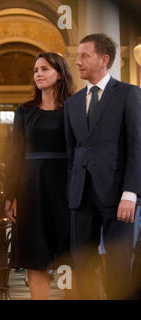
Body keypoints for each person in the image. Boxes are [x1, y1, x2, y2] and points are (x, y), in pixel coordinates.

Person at [65, 33, 141, 299]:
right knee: (82, 265)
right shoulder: (73, 102)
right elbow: (72, 152)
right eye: (77, 57)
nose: (78, 62)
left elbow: (137, 146)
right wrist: (70, 194)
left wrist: (131, 193)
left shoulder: (129, 94)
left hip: (119, 197)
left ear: (104, 59)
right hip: (81, 197)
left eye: (84, 56)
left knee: (119, 267)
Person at [5, 52, 75, 299]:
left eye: (44, 69)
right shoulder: (24, 111)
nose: (39, 74)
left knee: (69, 259)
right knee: (35, 259)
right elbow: (15, 154)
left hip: (67, 189)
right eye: (36, 70)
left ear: (59, 73)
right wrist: (10, 195)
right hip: (31, 190)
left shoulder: (75, 109)